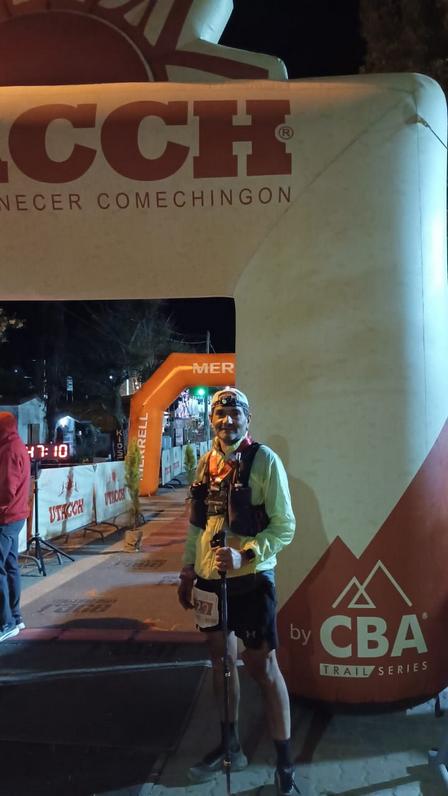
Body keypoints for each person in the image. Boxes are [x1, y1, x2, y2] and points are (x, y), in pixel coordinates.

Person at [177, 388, 298, 796]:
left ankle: (284, 761)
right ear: (211, 420)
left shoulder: (265, 461)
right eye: (220, 414)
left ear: (248, 418)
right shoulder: (205, 463)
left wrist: (245, 553)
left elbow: (285, 526)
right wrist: (188, 570)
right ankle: (230, 746)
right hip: (210, 579)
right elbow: (196, 525)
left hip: (251, 580)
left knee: (263, 667)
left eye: (235, 414)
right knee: (221, 663)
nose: (227, 421)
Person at [0, 412, 31, 641]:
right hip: (15, 515)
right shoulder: (16, 444)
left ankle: (6, 622)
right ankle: (15, 617)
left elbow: (6, 489)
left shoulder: (8, 450)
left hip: (5, 518)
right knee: (11, 566)